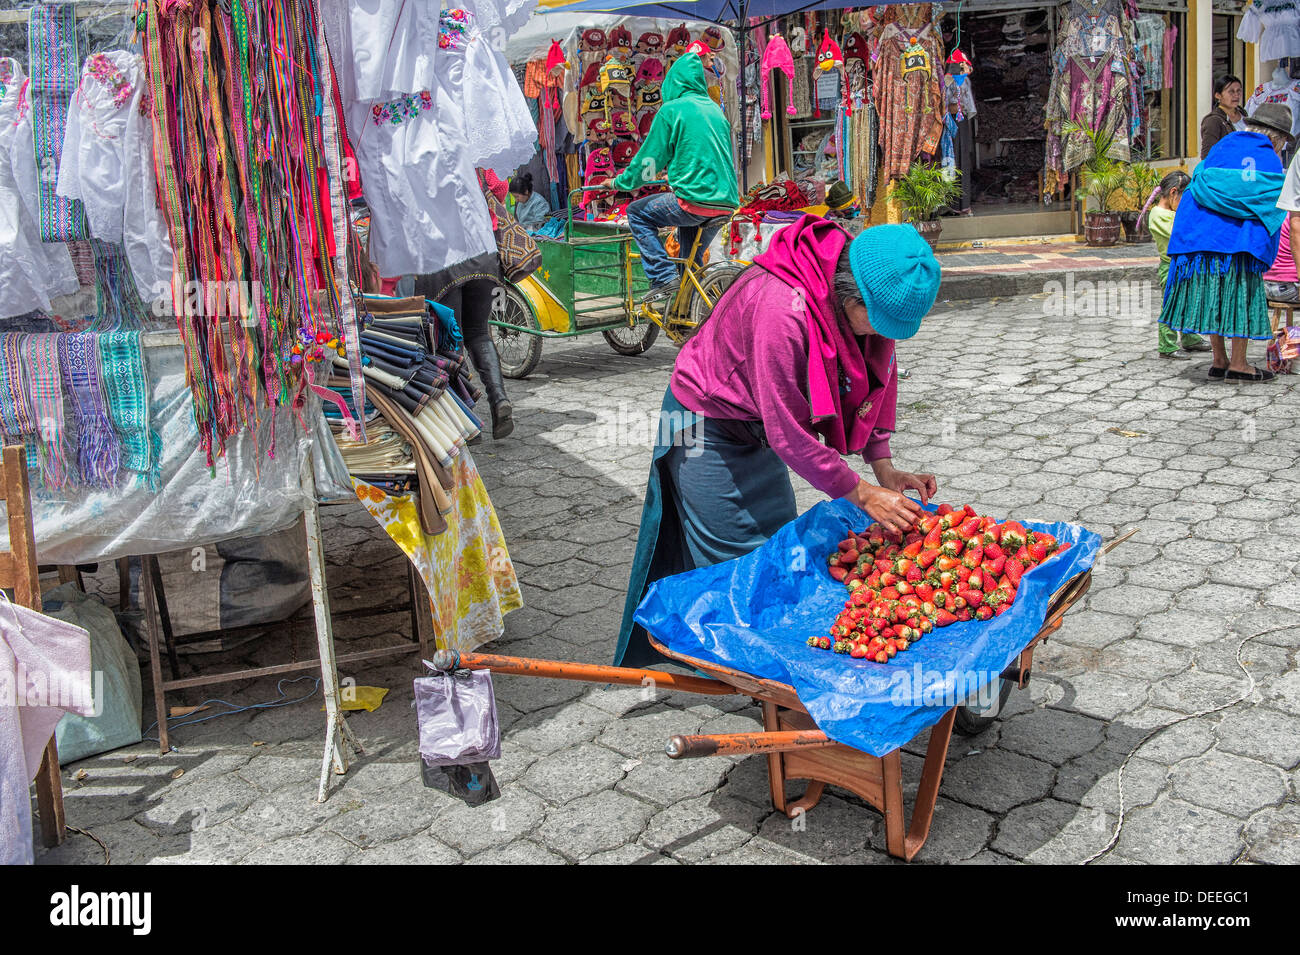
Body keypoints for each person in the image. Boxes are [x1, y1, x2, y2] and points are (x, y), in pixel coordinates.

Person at [614, 216, 942, 667]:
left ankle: (764, 661)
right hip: (704, 423)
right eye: (877, 322)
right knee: (737, 559)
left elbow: (877, 372)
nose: (881, 336)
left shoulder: (858, 279)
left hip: (760, 422)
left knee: (778, 544)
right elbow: (789, 432)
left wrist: (883, 466)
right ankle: (747, 675)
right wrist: (863, 494)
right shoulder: (781, 309)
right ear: (849, 297)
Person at [595, 42, 740, 303]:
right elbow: (704, 156)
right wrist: (673, 175)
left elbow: (649, 161)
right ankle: (687, 318)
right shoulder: (714, 111)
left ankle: (662, 277)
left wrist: (620, 182)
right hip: (725, 203)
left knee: (636, 213)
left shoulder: (671, 110)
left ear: (673, 82)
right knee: (689, 264)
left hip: (693, 201)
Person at [1159, 103, 1292, 383]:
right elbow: (1272, 205)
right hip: (1236, 241)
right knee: (1240, 295)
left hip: (1200, 235)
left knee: (1213, 294)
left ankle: (1219, 360)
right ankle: (1240, 364)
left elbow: (1201, 177)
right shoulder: (1268, 158)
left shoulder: (1224, 144)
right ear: (1275, 138)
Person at [414, 169, 515, 438]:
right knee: (480, 332)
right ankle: (499, 400)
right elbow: (501, 188)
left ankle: (466, 419)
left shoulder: (421, 156)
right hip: (483, 253)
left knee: (451, 339)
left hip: (444, 258)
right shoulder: (476, 156)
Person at [1141, 170, 1209, 359]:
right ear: (1173, 192)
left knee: (1188, 302)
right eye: (1184, 198)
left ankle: (1189, 338)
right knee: (1170, 305)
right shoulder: (1158, 215)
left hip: (1183, 265)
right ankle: (1167, 346)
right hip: (1170, 267)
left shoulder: (1170, 213)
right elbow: (1182, 235)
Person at [1200, 75, 1247, 158]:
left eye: (1238, 91)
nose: (1236, 95)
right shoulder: (1213, 121)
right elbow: (1207, 156)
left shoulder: (1244, 115)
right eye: (1231, 92)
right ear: (1218, 95)